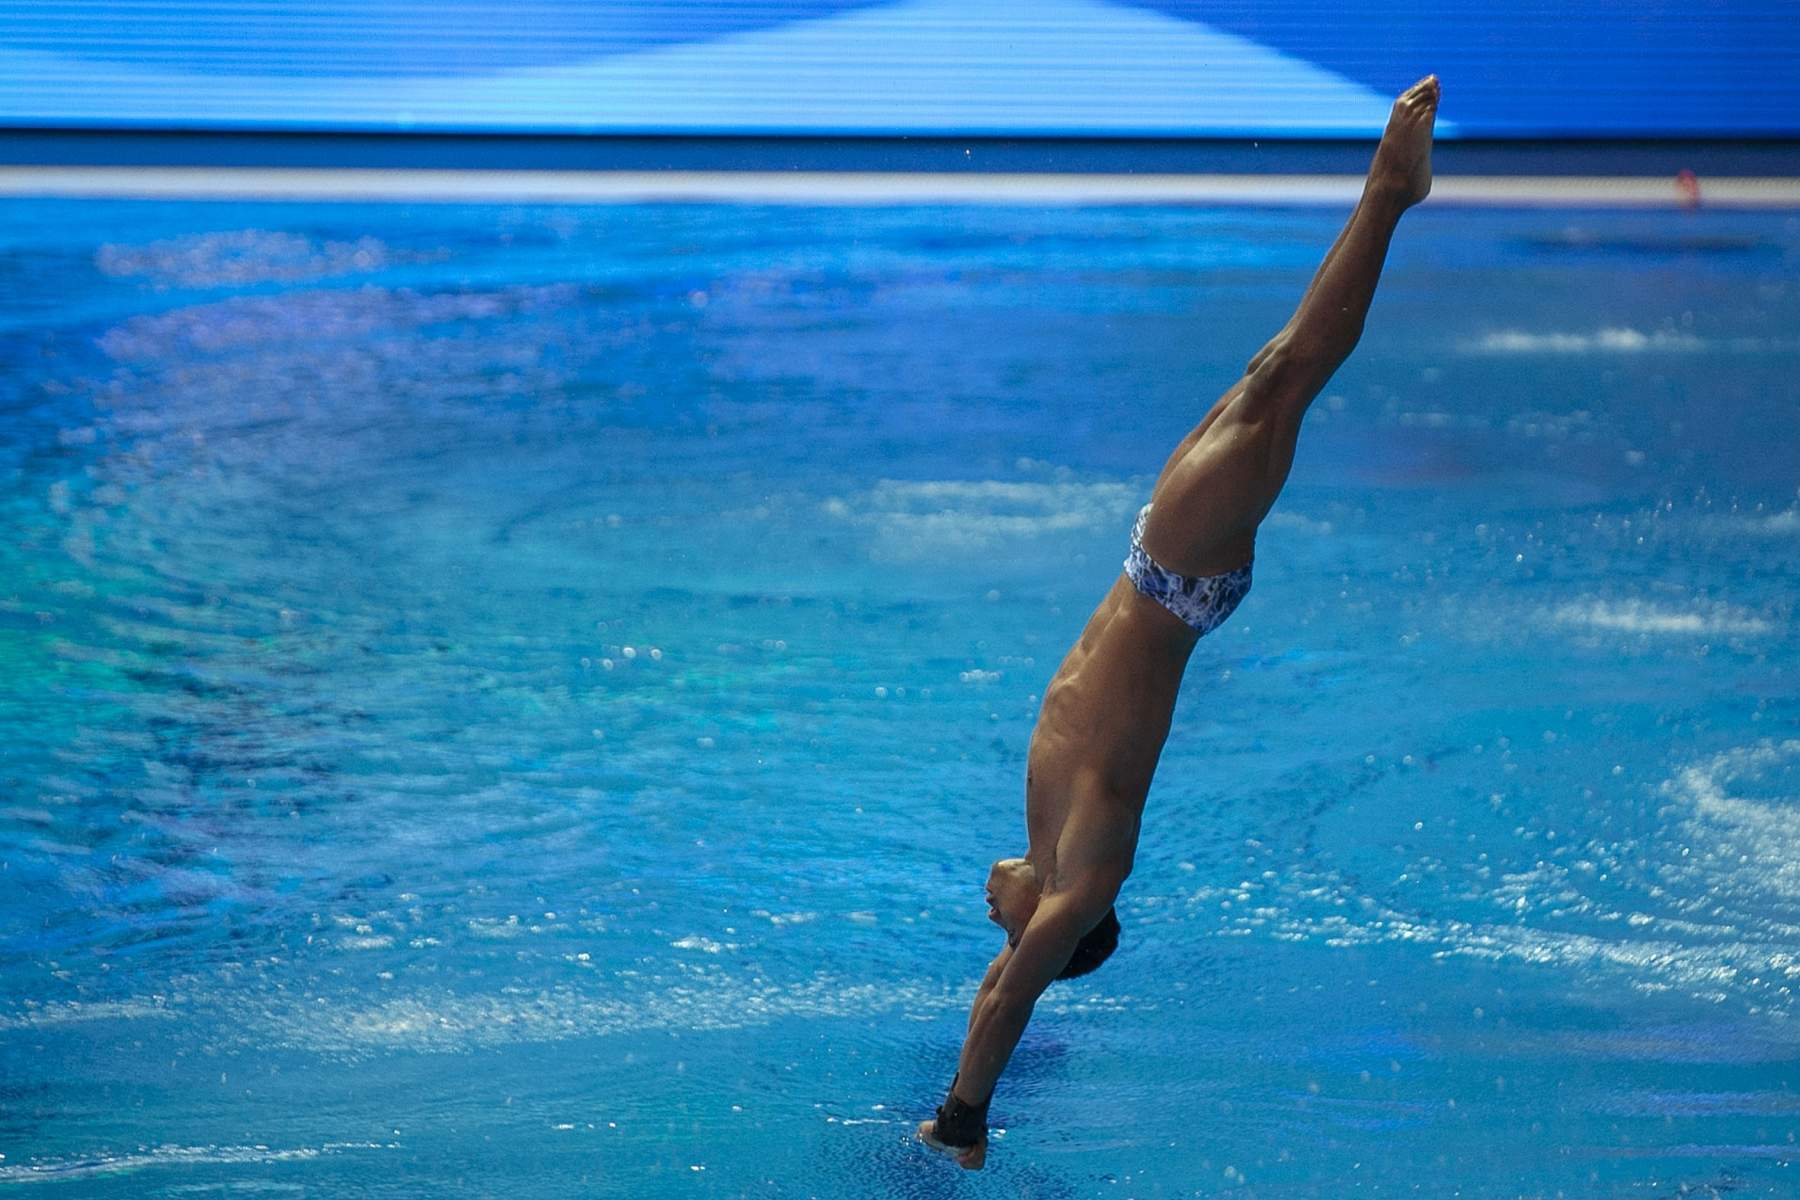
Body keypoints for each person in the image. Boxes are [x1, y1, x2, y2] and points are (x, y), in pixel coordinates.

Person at [917, 74, 1441, 1170]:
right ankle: (1390, 192)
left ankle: (1387, 194)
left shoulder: (1050, 858)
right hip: (1176, 578)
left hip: (1160, 562)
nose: (986, 910)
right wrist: (963, 1119)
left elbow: (989, 991)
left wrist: (962, 1064)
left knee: (1270, 375)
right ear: (1042, 934)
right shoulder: (1080, 879)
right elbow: (1013, 994)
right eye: (1003, 930)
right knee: (1289, 375)